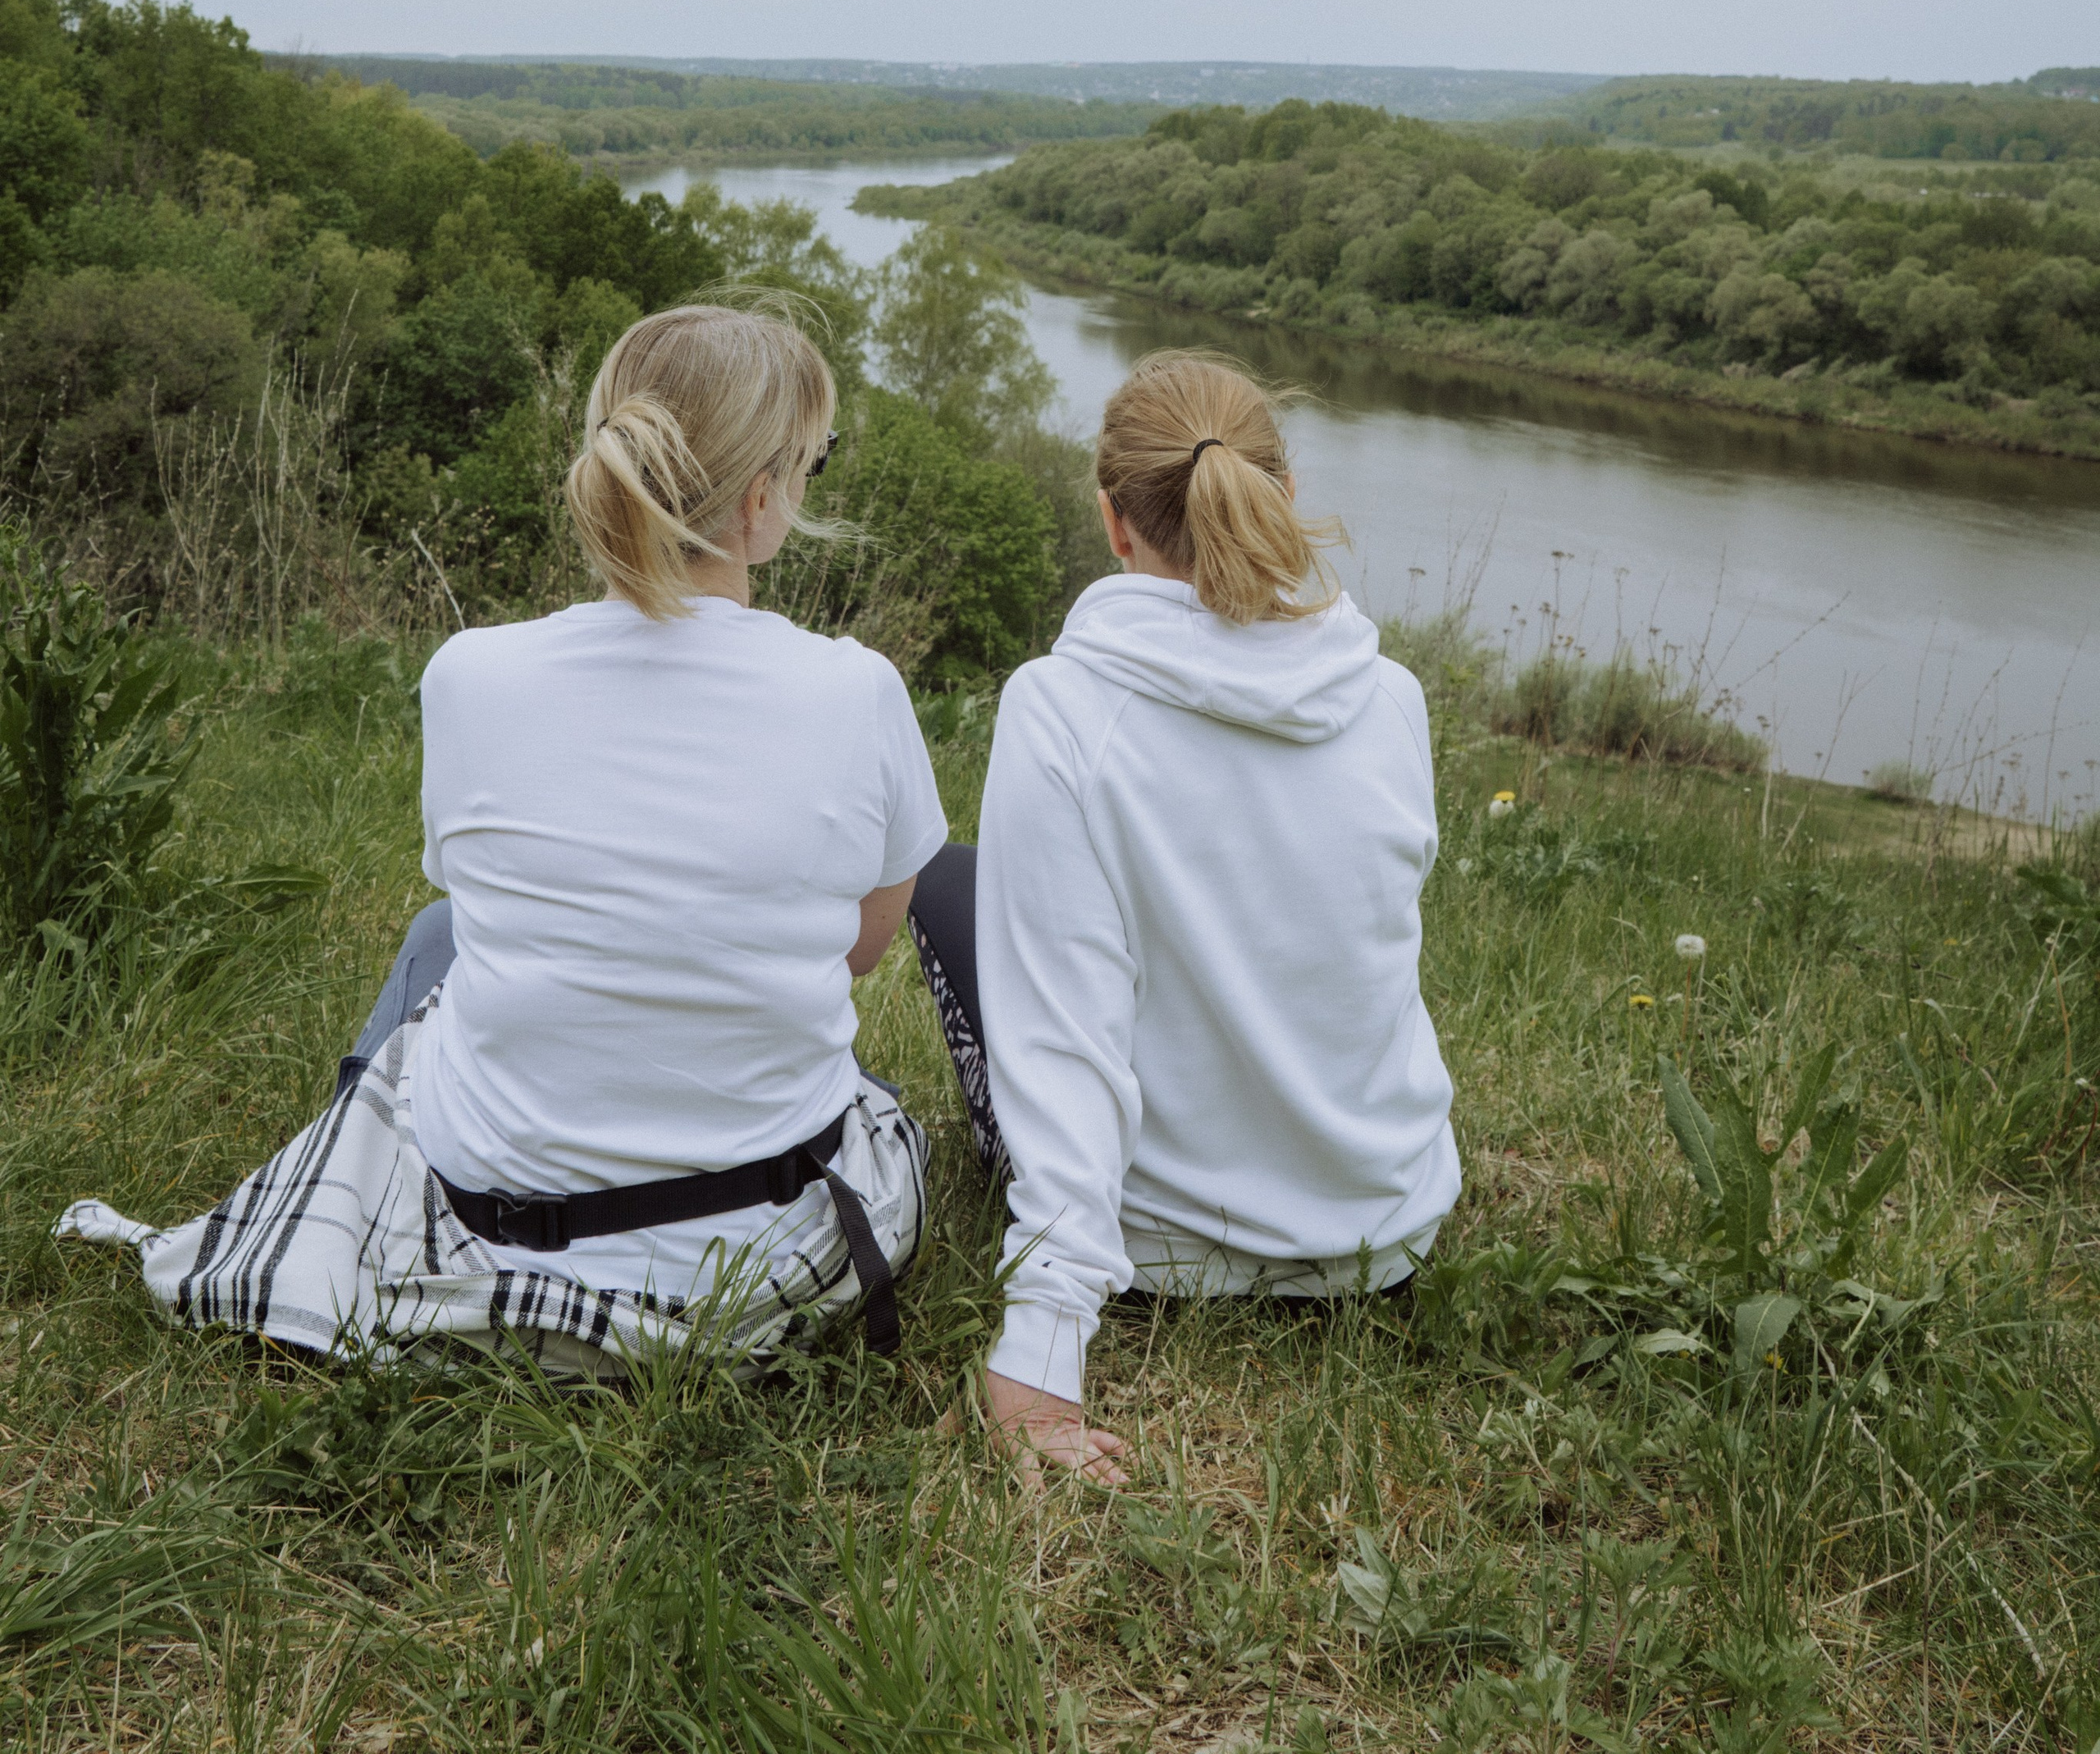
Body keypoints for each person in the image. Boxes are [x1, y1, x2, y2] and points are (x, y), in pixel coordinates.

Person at [61, 306, 947, 1373]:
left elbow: (492, 909)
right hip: (747, 1278)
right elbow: (859, 950)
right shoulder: (856, 690)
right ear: (762, 498)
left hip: (488, 1237)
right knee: (876, 1114)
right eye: (812, 462)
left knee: (441, 939)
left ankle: (332, 1229)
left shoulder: (471, 674)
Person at [907, 349, 1459, 1482]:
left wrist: (1041, 1352)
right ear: (1282, 492)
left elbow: (1063, 1044)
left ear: (1115, 523)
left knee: (945, 884)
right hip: (1381, 1236)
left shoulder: (1060, 710)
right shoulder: (1389, 698)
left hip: (1160, 1251)